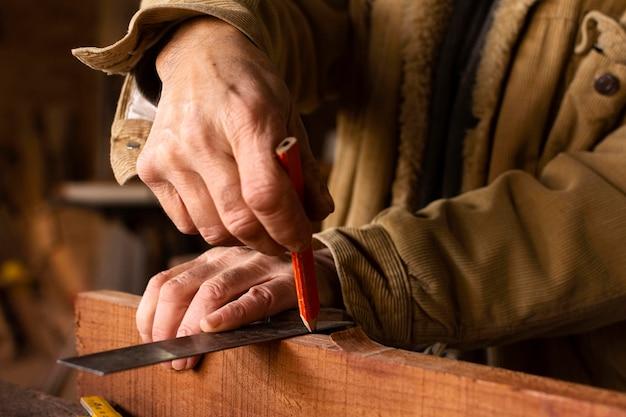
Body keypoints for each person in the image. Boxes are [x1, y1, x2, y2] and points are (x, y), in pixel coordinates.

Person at [75, 0, 626, 389]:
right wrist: (203, 36)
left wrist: (369, 272)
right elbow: (310, 14)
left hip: (566, 383)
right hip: (355, 349)